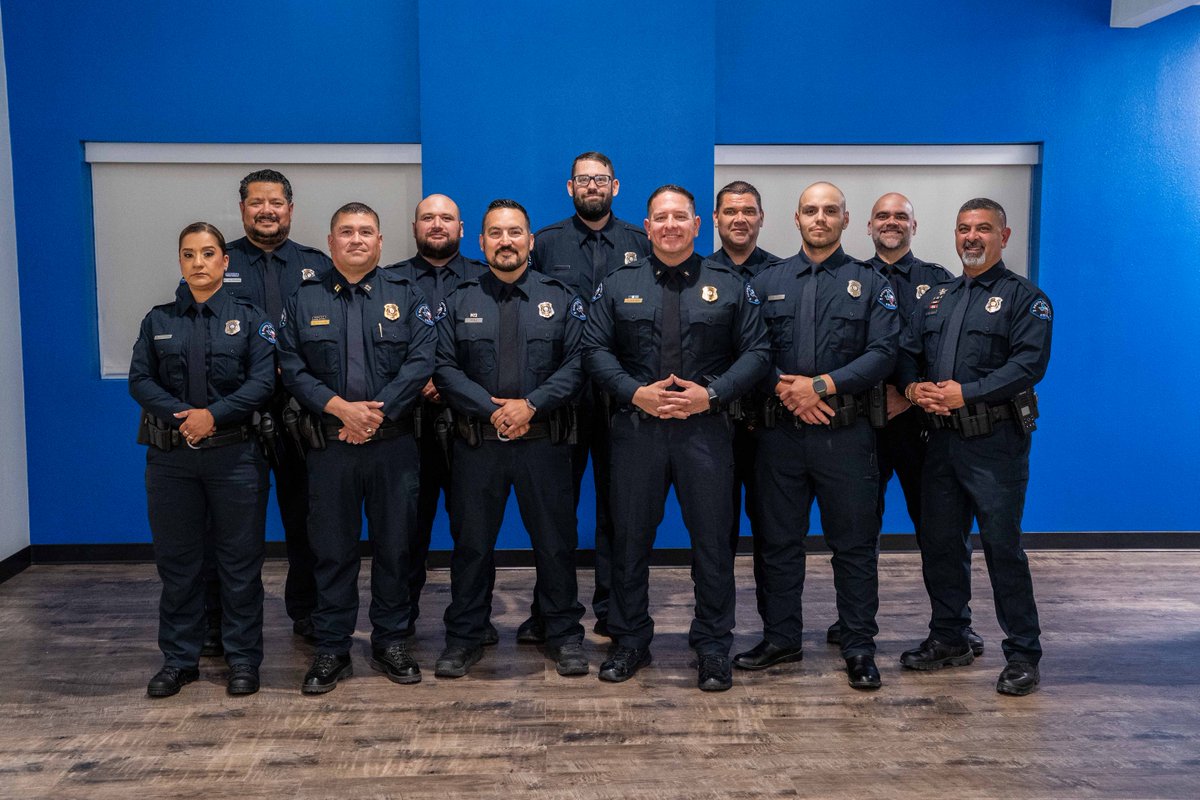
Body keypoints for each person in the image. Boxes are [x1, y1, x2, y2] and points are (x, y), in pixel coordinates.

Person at [583, 185, 768, 692]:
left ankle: (712, 646)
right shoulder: (618, 284)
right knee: (628, 543)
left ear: (696, 225)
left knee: (712, 544)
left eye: (679, 217)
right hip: (636, 432)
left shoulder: (729, 284)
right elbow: (593, 349)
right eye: (660, 218)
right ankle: (629, 641)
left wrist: (713, 394)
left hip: (705, 433)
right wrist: (632, 392)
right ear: (647, 227)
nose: (670, 225)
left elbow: (757, 353)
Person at [736, 181, 898, 691]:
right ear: (796, 218)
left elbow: (884, 351)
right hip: (779, 434)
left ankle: (858, 646)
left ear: (847, 220)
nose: (820, 218)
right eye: (811, 210)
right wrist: (788, 392)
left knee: (853, 546)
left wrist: (821, 387)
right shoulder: (766, 281)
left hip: (845, 435)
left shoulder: (870, 282)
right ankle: (781, 638)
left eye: (830, 211)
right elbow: (747, 350)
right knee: (777, 543)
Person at [277, 202, 436, 694]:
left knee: (396, 548)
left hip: (393, 446)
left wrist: (373, 414)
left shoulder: (407, 294)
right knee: (332, 550)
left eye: (366, 231)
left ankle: (390, 640)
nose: (356, 239)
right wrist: (341, 410)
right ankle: (331, 648)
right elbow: (290, 365)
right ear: (330, 242)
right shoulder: (302, 300)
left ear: (381, 242)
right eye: (346, 231)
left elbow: (421, 360)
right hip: (331, 447)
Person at [896, 198, 1052, 696]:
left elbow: (1029, 365)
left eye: (983, 228)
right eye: (964, 228)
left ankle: (1023, 652)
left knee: (1003, 549)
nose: (971, 237)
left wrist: (968, 392)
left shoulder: (1026, 299)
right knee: (940, 544)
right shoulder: (937, 297)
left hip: (995, 444)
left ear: (1003, 237)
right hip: (940, 443)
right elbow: (907, 351)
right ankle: (950, 636)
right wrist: (912, 388)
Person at [432, 199, 588, 678]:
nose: (506, 241)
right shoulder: (458, 300)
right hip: (478, 443)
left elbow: (578, 364)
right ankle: (466, 635)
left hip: (543, 442)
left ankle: (562, 635)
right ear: (481, 242)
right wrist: (493, 410)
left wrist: (531, 406)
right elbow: (443, 366)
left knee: (555, 544)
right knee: (472, 545)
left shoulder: (561, 297)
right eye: (496, 233)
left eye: (515, 232)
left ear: (530, 241)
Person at [825, 193, 983, 654]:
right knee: (855, 531)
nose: (891, 223)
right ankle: (853, 621)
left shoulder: (939, 284)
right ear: (867, 226)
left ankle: (954, 625)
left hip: (921, 428)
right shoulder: (847, 277)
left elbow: (944, 352)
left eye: (900, 216)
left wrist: (910, 394)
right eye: (882, 216)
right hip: (860, 426)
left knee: (942, 532)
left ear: (914, 225)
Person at [129, 222, 275, 697]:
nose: (198, 262)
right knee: (179, 564)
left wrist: (212, 416)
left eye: (208, 253)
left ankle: (243, 660)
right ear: (180, 262)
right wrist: (183, 418)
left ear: (224, 262)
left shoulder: (250, 319)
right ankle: (178, 659)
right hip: (171, 462)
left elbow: (262, 383)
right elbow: (140, 381)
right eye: (189, 254)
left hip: (235, 459)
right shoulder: (158, 320)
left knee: (239, 564)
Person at [208, 169, 334, 650]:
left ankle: (308, 612)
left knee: (308, 521)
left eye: (276, 202)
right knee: (230, 528)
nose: (267, 210)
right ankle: (220, 622)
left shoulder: (315, 265)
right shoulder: (222, 261)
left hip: (302, 416)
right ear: (242, 209)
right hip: (238, 415)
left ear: (290, 209)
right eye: (256, 202)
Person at [529, 151, 650, 642]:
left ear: (615, 187)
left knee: (618, 510)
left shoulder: (640, 243)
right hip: (564, 398)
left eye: (601, 179)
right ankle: (550, 612)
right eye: (584, 180)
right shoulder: (547, 242)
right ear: (570, 186)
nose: (592, 186)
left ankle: (611, 608)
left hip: (622, 397)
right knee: (554, 510)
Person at [384, 194, 490, 641]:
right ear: (414, 227)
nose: (437, 225)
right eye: (428, 218)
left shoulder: (485, 279)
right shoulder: (389, 281)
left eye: (447, 218)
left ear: (463, 230)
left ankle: (473, 622)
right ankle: (400, 620)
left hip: (469, 425)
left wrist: (447, 382)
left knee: (473, 531)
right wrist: (417, 383)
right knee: (407, 532)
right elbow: (384, 356)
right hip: (408, 427)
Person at [706, 180, 778, 619]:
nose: (739, 219)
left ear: (761, 218)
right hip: (713, 425)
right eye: (730, 211)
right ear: (715, 219)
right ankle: (719, 626)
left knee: (773, 534)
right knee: (717, 534)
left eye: (748, 211)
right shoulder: (695, 272)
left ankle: (775, 631)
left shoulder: (782, 273)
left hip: (771, 426)